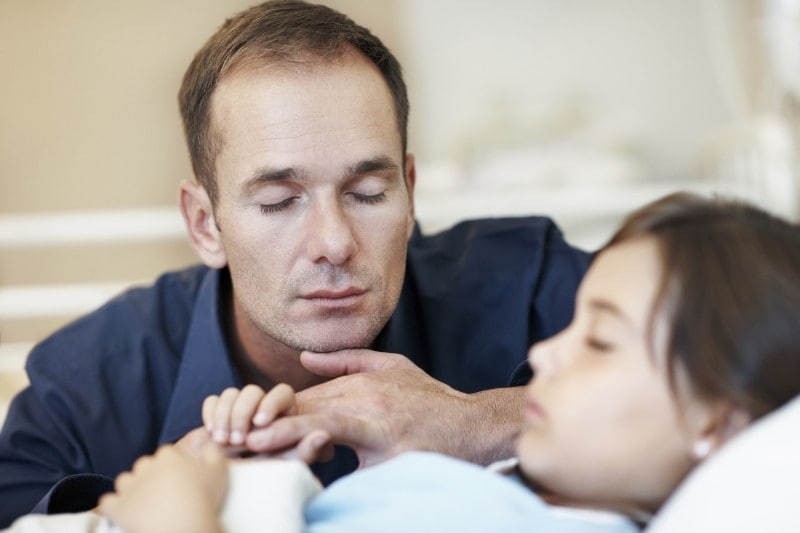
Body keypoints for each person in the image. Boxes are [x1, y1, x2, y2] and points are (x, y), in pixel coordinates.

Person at [0, 0, 590, 526]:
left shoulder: (524, 283)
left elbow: (685, 364)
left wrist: (482, 422)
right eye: (279, 202)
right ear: (205, 224)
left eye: (367, 193)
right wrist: (170, 491)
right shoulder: (83, 391)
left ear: (410, 194)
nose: (334, 243)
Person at [11, 192, 795, 533]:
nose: (544, 348)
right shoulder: (92, 369)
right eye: (278, 200)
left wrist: (176, 508)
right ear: (205, 222)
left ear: (717, 421)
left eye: (598, 338)